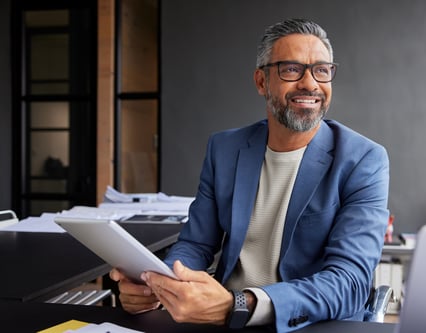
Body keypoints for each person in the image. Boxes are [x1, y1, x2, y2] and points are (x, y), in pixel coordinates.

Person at [110, 18, 390, 332]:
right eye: (291, 69)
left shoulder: (363, 159)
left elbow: (349, 283)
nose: (310, 84)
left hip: (307, 324)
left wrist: (240, 304)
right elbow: (196, 244)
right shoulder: (225, 148)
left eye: (321, 70)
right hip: (223, 320)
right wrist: (159, 284)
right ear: (261, 81)